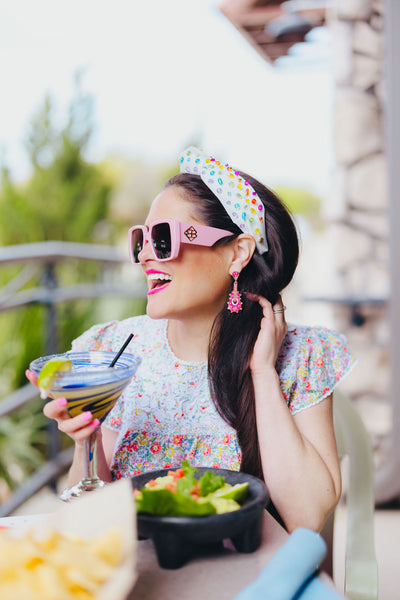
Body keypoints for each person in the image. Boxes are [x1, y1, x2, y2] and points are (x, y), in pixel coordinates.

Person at [27, 147, 356, 533]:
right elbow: (89, 520)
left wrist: (263, 372)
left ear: (237, 253)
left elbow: (306, 516)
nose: (147, 255)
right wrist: (86, 439)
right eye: (141, 239)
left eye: (164, 238)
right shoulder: (117, 349)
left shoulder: (300, 356)